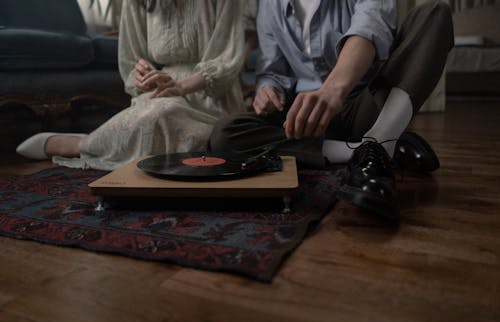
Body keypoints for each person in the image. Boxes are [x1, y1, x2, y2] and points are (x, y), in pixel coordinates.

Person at [209, 0, 454, 219]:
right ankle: (374, 148)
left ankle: (380, 136)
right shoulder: (269, 5)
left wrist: (332, 90)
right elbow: (272, 71)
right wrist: (267, 90)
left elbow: (370, 27)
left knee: (435, 13)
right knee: (226, 134)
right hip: (308, 119)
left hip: (366, 102)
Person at [16, 0, 245, 170]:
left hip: (211, 94)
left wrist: (182, 86)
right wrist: (141, 73)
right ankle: (90, 142)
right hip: (162, 86)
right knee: (156, 113)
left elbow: (227, 59)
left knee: (166, 114)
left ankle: (83, 143)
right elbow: (131, 57)